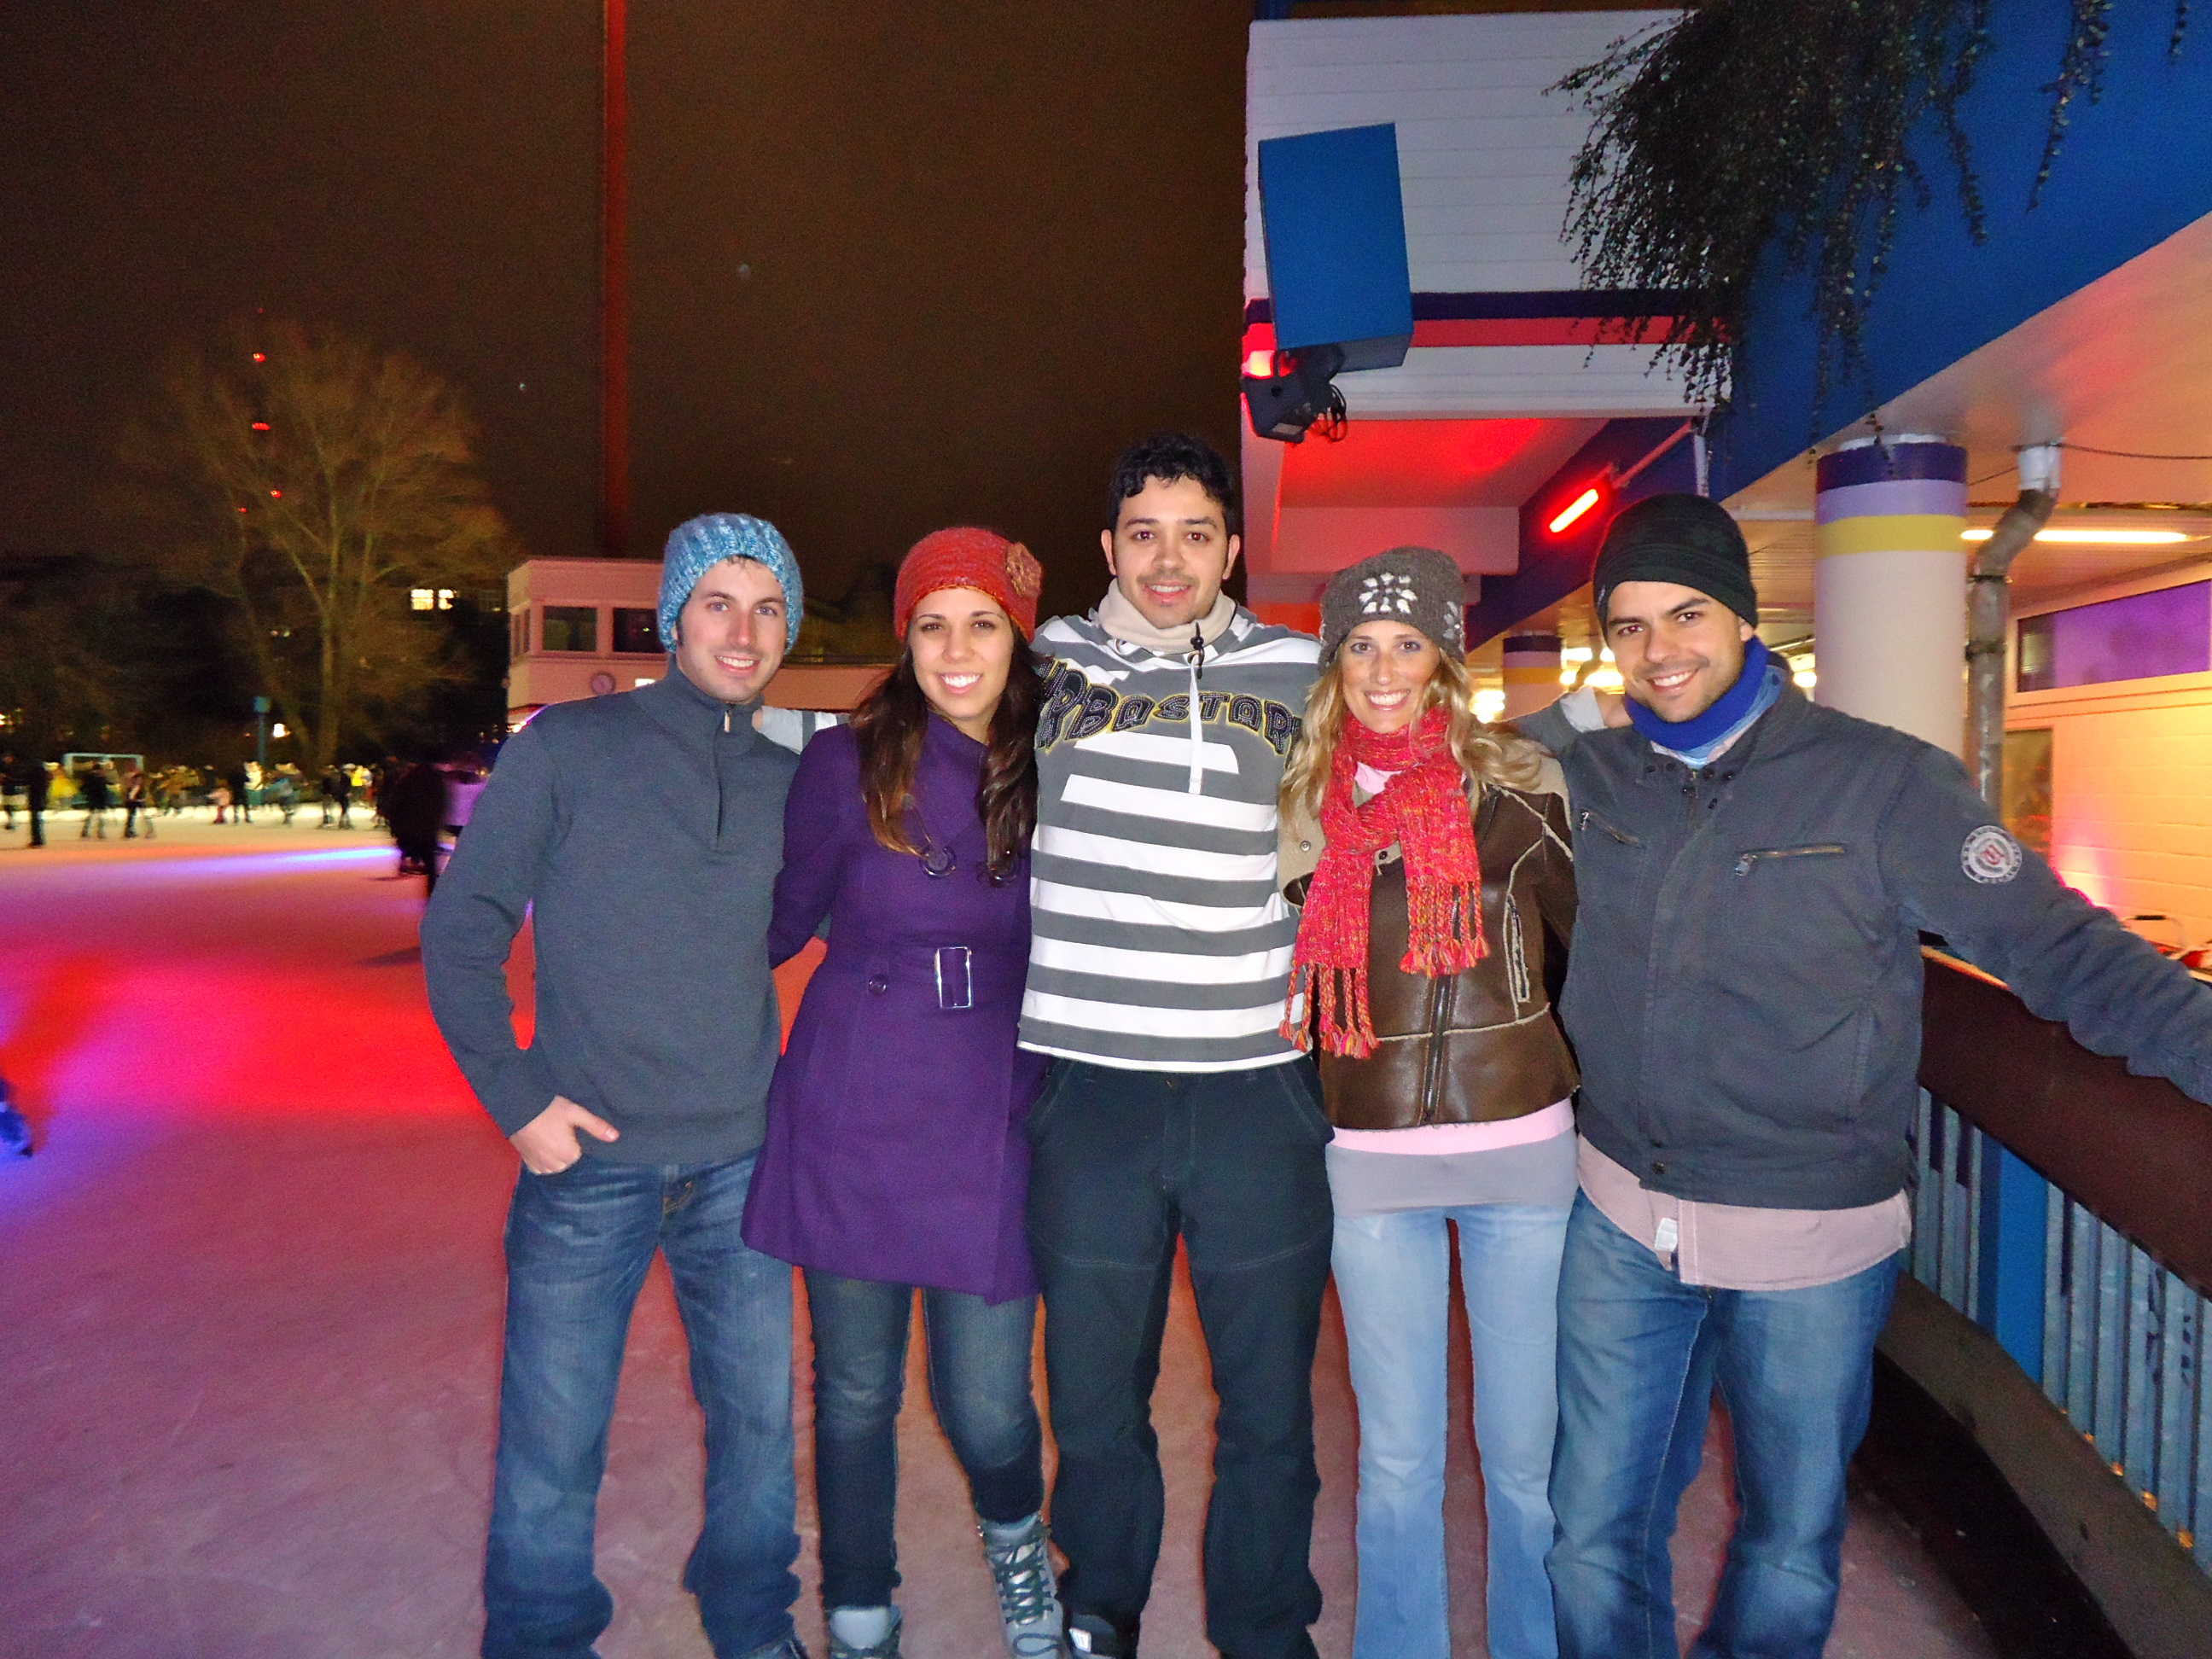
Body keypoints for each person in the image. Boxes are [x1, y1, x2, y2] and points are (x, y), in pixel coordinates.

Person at [1517, 495, 2212, 1659]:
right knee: (1588, 1536)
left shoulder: (1888, 785)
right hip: (1624, 1218)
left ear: (1745, 619)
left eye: (1687, 614)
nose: (1659, 650)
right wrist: (1575, 709)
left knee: (1787, 1549)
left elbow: (2061, 951)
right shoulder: (1592, 772)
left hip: (1810, 1237)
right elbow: (1448, 752)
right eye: (1628, 626)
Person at [422, 512, 814, 1659]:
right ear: (674, 618)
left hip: (742, 1164)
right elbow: (464, 929)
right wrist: (519, 1101)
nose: (743, 632)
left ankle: (750, 1614)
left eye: (769, 609)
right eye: (718, 603)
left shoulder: (794, 783)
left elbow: (859, 925)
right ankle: (541, 1635)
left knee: (757, 1426)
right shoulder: (570, 747)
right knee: (554, 1438)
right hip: (588, 1163)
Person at [1022, 434, 1327, 1659]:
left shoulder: (1300, 668)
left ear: (1231, 549)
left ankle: (1263, 1626)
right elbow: (906, 727)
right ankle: (1101, 1607)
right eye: (1143, 533)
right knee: (1096, 1396)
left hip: (1256, 1086)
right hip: (1092, 1085)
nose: (1167, 560)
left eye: (1195, 534)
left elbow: (1429, 748)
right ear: (1107, 546)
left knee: (1269, 1402)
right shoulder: (1042, 663)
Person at [746, 528, 1061, 1659]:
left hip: (995, 1100)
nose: (956, 650)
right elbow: (778, 922)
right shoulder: (846, 764)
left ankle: (1018, 1545)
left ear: (1017, 639)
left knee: (988, 1402)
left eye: (981, 624)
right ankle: (859, 1597)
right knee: (855, 1390)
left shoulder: (1060, 762)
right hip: (855, 1100)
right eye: (932, 625)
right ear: (906, 639)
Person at [1277, 550, 1575, 1659]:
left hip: (1523, 1148)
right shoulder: (1303, 805)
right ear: (1335, 663)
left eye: (1408, 644)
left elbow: (1582, 945)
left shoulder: (1524, 784)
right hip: (1370, 1158)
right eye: (1361, 645)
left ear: (1445, 660)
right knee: (1397, 1459)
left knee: (1525, 1459)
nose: (1384, 668)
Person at [384, 755, 450, 896]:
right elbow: (441, 804)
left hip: (410, 825)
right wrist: (437, 821)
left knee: (411, 848)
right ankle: (432, 891)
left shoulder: (407, 780)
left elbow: (396, 802)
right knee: (430, 861)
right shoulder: (436, 780)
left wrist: (394, 824)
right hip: (428, 826)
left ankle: (410, 861)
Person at [78, 760, 113, 839]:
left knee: (91, 815)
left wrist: (86, 793)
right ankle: (100, 832)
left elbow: (82, 787)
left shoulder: (87, 777)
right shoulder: (101, 777)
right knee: (101, 816)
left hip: (91, 797)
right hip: (100, 798)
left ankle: (85, 831)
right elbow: (103, 788)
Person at [122, 766, 155, 840]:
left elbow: (132, 793)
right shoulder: (139, 784)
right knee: (134, 817)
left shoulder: (138, 784)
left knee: (134, 817)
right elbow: (133, 793)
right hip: (136, 801)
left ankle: (130, 831)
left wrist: (129, 798)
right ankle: (130, 831)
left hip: (137, 801)